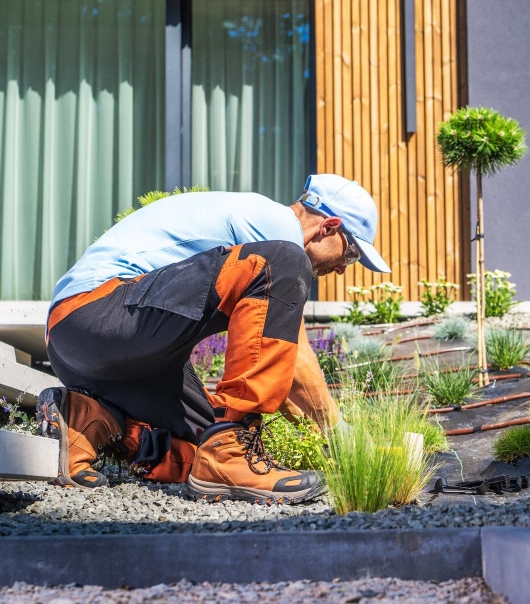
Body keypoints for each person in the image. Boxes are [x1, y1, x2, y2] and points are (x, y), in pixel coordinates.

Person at [38, 174, 390, 504]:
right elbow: (293, 357)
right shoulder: (277, 226)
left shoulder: (255, 224)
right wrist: (340, 436)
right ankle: (232, 454)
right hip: (97, 314)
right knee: (285, 262)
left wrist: (313, 432)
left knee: (210, 443)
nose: (344, 267)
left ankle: (85, 422)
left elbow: (279, 364)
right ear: (330, 226)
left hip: (76, 344)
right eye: (351, 253)